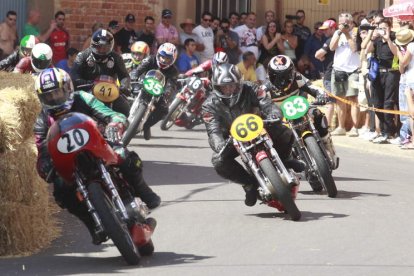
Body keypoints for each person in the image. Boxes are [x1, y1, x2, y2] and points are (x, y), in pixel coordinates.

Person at [33, 68, 160, 244]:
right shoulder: (42, 120)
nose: (54, 99)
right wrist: (44, 165)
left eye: (58, 93)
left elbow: (109, 113)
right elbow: (41, 150)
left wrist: (115, 122)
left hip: (98, 144)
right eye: (49, 96)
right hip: (71, 163)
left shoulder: (82, 97)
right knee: (61, 192)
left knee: (125, 156)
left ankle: (143, 191)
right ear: (41, 98)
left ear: (68, 87)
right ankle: (92, 224)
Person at [202, 63, 301, 206]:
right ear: (217, 87)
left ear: (239, 83)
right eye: (225, 87)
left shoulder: (252, 88)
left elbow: (267, 104)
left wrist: (274, 115)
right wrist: (219, 144)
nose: (229, 90)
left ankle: (286, 160)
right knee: (218, 161)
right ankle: (249, 185)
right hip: (232, 139)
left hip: (259, 127)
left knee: (284, 130)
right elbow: (213, 131)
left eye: (232, 85)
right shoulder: (208, 105)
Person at [264, 55, 339, 172]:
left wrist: (321, 95)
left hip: (301, 109)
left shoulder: (298, 78)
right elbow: (259, 105)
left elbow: (313, 87)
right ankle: (284, 162)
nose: (282, 80)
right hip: (282, 118)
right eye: (276, 77)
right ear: (269, 74)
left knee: (317, 113)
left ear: (292, 72)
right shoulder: (265, 89)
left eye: (285, 75)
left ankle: (327, 144)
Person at [70, 29, 131, 117]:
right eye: (99, 47)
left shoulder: (116, 58)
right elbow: (74, 76)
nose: (102, 50)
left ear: (110, 47)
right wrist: (88, 83)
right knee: (73, 107)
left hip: (109, 92)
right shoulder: (82, 56)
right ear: (93, 45)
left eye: (105, 47)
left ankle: (121, 127)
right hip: (87, 91)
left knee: (125, 109)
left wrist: (124, 86)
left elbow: (125, 76)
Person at [130, 42, 178, 140]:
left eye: (168, 58)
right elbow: (138, 70)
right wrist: (134, 76)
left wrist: (167, 93)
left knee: (164, 110)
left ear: (173, 60)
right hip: (142, 83)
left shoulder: (173, 71)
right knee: (124, 93)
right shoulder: (150, 59)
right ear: (158, 55)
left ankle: (146, 125)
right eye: (162, 57)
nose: (164, 60)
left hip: (158, 91)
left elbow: (171, 85)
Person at [364, 19, 400, 143]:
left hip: (391, 73)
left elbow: (396, 53)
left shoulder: (395, 37)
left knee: (388, 103)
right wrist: (372, 36)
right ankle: (384, 131)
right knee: (377, 103)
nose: (382, 30)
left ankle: (391, 132)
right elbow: (365, 49)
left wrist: (388, 38)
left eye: (385, 27)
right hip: (378, 73)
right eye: (380, 27)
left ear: (390, 28)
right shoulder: (377, 40)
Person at [329, 13, 361, 137]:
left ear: (351, 23)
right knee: (340, 100)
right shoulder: (337, 33)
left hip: (353, 70)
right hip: (338, 70)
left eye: (346, 23)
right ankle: (341, 127)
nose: (343, 25)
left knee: (353, 99)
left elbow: (354, 48)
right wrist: (339, 32)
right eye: (341, 23)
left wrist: (347, 33)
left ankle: (355, 128)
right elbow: (332, 47)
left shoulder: (356, 33)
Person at [315, 19, 338, 127]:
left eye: (326, 29)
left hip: (330, 74)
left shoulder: (330, 40)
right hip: (338, 73)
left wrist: (322, 57)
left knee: (330, 102)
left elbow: (318, 55)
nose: (324, 32)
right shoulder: (339, 39)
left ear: (333, 28)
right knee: (339, 102)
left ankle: (327, 126)